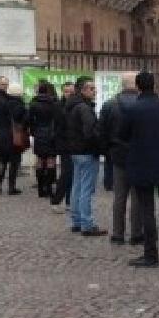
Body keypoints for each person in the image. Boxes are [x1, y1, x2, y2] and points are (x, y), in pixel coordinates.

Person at [121, 71, 159, 267]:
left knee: (147, 210)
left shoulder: (132, 109)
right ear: (155, 85)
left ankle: (151, 254)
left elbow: (123, 134)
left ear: (138, 86)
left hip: (142, 164)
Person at [98, 72, 143, 245]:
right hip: (139, 155)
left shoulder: (109, 105)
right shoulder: (142, 104)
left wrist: (107, 151)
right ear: (137, 85)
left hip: (117, 155)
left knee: (119, 196)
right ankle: (136, 233)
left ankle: (118, 233)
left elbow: (101, 131)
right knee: (137, 196)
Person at [65, 77, 105, 236]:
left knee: (77, 187)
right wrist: (98, 145)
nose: (94, 91)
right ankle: (87, 224)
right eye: (91, 88)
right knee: (86, 189)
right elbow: (91, 132)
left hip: (75, 151)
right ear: (82, 90)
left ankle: (77, 221)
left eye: (94, 88)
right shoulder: (84, 108)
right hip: (86, 151)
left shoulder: (72, 105)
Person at [0, 83, 28, 195]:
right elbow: (24, 122)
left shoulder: (2, 103)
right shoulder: (20, 106)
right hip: (15, 137)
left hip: (1, 136)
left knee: (1, 162)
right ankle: (11, 188)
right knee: (14, 163)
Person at [29, 81, 61, 199]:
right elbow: (58, 120)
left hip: (39, 134)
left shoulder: (33, 103)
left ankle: (40, 189)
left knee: (40, 160)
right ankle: (49, 188)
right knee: (51, 161)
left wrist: (34, 132)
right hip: (51, 134)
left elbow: (29, 120)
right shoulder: (54, 103)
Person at [51, 82, 75, 213]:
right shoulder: (58, 106)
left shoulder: (75, 105)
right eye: (66, 91)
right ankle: (56, 200)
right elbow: (59, 127)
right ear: (62, 92)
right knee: (66, 173)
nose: (69, 94)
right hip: (64, 144)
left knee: (72, 173)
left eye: (71, 92)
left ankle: (69, 201)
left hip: (73, 144)